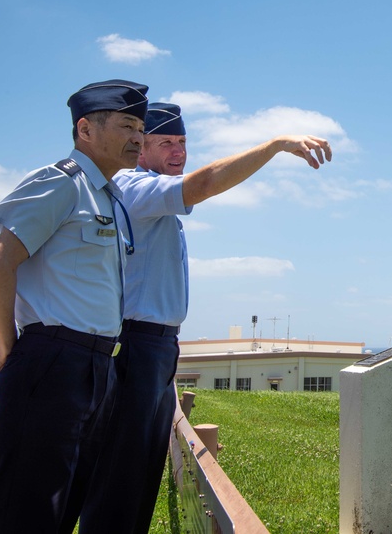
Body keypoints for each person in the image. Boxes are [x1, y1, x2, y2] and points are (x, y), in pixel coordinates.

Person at [79, 102, 332, 533]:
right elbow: (206, 182)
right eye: (165, 143)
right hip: (136, 348)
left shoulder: (153, 190)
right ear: (140, 147)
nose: (177, 152)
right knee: (120, 478)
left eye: (182, 143)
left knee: (139, 475)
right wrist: (273, 146)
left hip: (155, 347)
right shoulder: (133, 185)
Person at [0, 80, 148, 533]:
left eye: (141, 128)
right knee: (23, 512)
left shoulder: (108, 197)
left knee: (62, 508)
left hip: (95, 367)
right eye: (127, 125)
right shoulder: (61, 183)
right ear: (85, 129)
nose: (138, 138)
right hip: (51, 362)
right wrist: (9, 349)